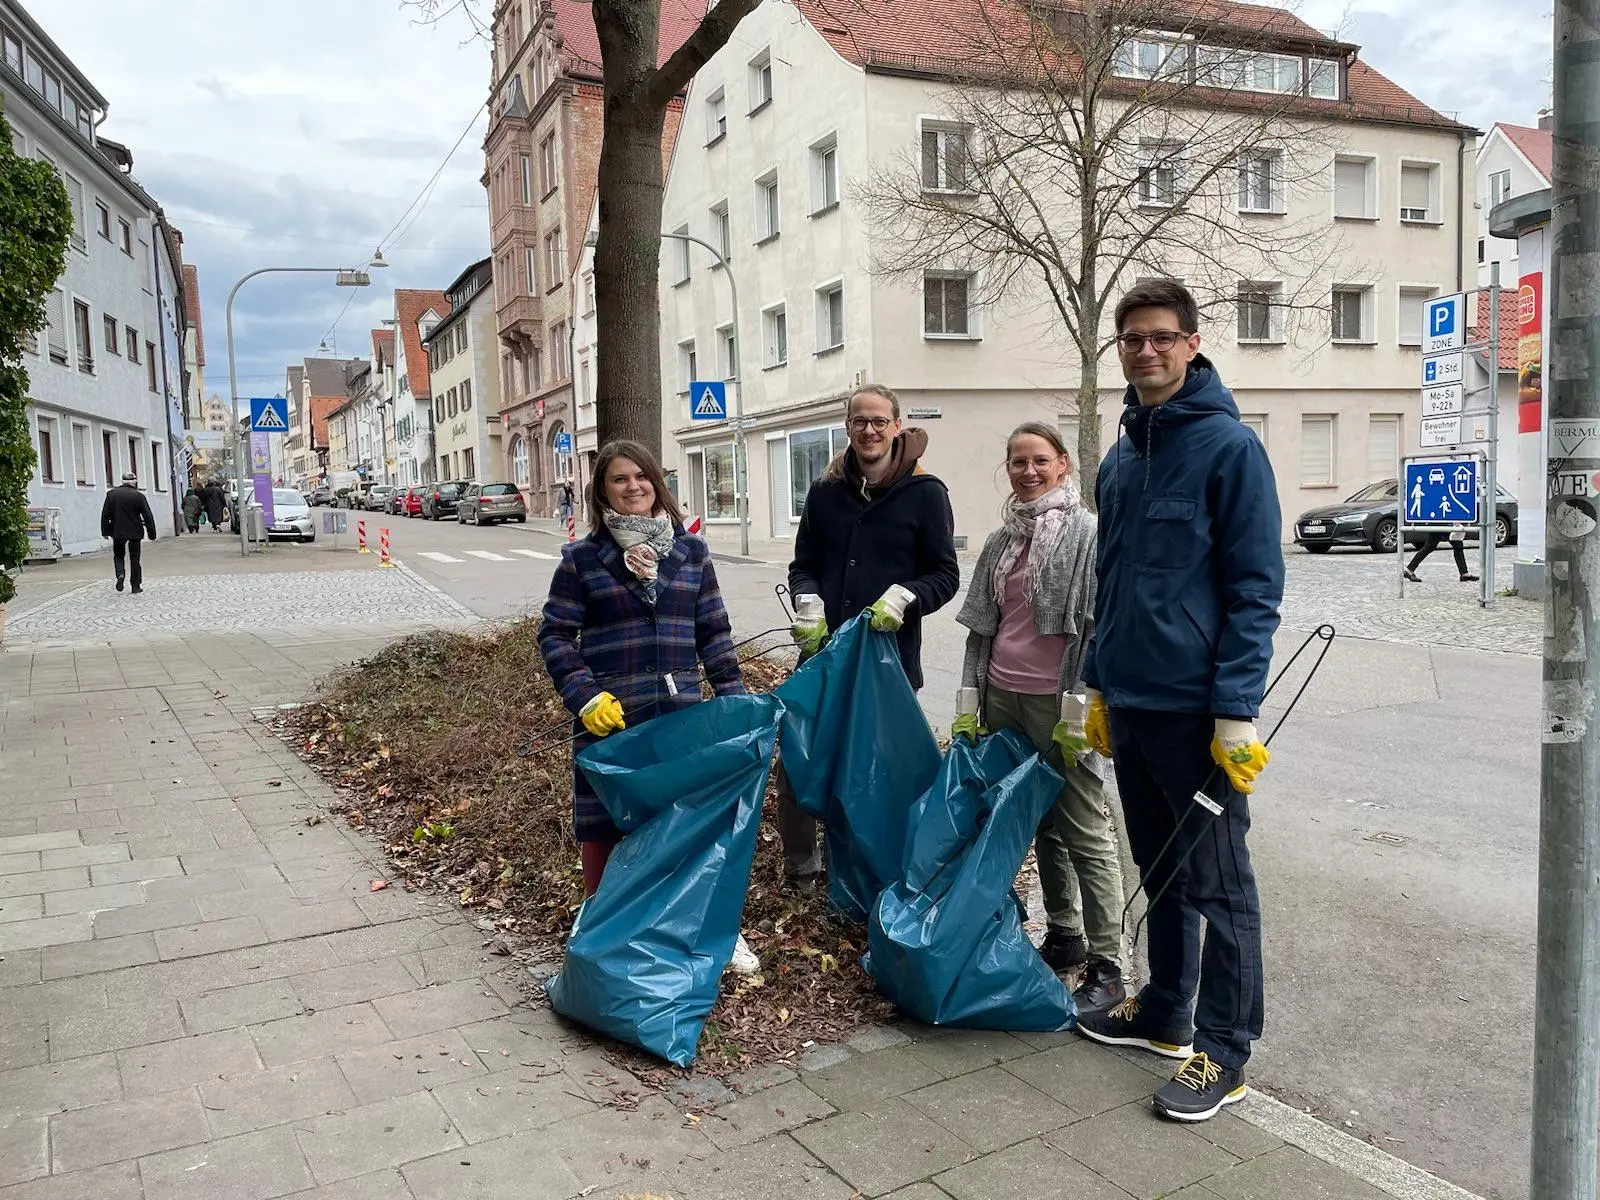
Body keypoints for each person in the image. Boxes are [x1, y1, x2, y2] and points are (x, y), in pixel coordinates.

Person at [1074, 279, 1284, 1124]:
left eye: (1162, 336)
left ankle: (1225, 1052)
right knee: (1160, 870)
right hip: (1132, 700)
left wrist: (1237, 709)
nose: (1147, 350)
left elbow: (1255, 588)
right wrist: (1096, 680)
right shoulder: (1122, 456)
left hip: (1200, 712)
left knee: (1220, 882)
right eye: (1132, 339)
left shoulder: (1230, 449)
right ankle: (1165, 1011)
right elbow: (1112, 582)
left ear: (1192, 344)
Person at [537, 439, 758, 972]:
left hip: (680, 712)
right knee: (603, 821)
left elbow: (713, 633)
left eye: (642, 476)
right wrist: (585, 696)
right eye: (619, 479)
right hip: (611, 714)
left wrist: (734, 704)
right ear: (601, 491)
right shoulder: (583, 560)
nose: (633, 486)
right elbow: (557, 635)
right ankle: (602, 924)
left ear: (658, 483)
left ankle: (708, 928)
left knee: (685, 822)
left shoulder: (691, 553)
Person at [952, 422, 1127, 1013]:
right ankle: (1065, 933)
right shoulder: (1004, 541)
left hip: (1060, 700)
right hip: (1004, 696)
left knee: (1083, 824)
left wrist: (1085, 702)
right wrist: (969, 699)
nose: (1028, 471)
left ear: (1062, 467)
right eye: (1018, 462)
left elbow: (1103, 623)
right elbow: (984, 624)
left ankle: (1109, 962)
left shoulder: (1088, 533)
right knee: (1037, 821)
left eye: (1039, 461)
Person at [780, 383, 961, 888]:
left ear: (897, 425)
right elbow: (804, 565)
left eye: (880, 420)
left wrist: (906, 597)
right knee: (799, 754)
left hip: (889, 662)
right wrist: (808, 602)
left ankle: (871, 867)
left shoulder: (926, 493)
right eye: (860, 421)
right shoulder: (825, 492)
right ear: (847, 427)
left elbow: (945, 575)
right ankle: (801, 865)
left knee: (876, 768)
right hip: (823, 655)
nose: (870, 430)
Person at [100, 472, 158, 594]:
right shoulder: (138, 496)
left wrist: (105, 531)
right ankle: (135, 585)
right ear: (134, 481)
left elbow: (105, 514)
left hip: (117, 530)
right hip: (135, 531)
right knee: (135, 558)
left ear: (122, 481)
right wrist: (152, 533)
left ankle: (120, 574)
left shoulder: (112, 495)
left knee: (119, 555)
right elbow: (147, 515)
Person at [1403, 526, 1477, 583]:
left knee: (1430, 546)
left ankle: (1410, 569)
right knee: (1456, 544)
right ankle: (1464, 573)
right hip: (1441, 521)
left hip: (1440, 520)